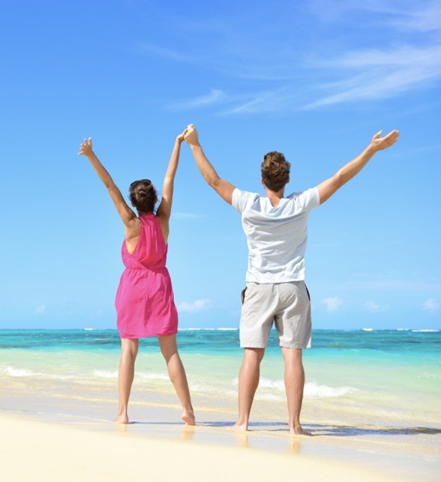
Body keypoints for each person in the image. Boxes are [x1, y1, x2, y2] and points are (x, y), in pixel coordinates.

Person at [182, 123, 399, 435]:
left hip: (258, 287)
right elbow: (339, 178)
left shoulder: (249, 203)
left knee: (252, 356)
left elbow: (213, 181)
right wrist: (371, 150)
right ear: (287, 180)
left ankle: (242, 422)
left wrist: (194, 144)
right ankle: (294, 426)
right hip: (293, 287)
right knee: (292, 355)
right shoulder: (300, 203)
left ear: (262, 180)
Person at [78, 131, 195, 425]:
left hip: (132, 287)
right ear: (154, 199)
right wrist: (177, 144)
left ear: (133, 201)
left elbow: (109, 185)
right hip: (159, 286)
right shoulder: (164, 220)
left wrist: (91, 156)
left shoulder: (130, 223)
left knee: (129, 349)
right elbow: (170, 177)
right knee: (170, 351)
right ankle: (188, 410)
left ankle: (123, 412)